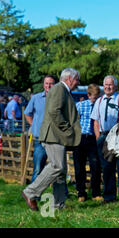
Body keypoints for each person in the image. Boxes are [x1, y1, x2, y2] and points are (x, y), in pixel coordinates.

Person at [21, 68, 81, 211]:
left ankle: (58, 205)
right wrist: (67, 129)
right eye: (77, 79)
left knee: (61, 172)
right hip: (54, 135)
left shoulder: (63, 90)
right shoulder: (60, 89)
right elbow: (54, 111)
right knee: (57, 166)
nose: (78, 82)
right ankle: (31, 192)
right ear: (70, 79)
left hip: (56, 135)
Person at [91, 75, 119, 202]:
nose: (108, 87)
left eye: (110, 85)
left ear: (115, 86)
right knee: (107, 168)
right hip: (105, 136)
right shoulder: (99, 101)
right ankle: (109, 196)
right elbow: (96, 121)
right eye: (106, 85)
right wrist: (99, 138)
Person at [24, 75, 57, 183]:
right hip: (40, 138)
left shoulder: (59, 98)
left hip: (55, 139)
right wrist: (34, 125)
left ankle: (62, 195)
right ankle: (33, 195)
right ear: (43, 85)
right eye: (47, 83)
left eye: (51, 83)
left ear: (55, 85)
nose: (49, 85)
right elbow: (27, 113)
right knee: (38, 168)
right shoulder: (36, 98)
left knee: (58, 168)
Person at [74, 84, 102, 202]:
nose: (95, 100)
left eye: (97, 97)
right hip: (81, 137)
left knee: (95, 166)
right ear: (88, 95)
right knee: (79, 167)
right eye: (93, 97)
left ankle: (96, 193)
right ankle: (81, 193)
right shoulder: (80, 105)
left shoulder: (100, 106)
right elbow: (73, 119)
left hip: (93, 138)